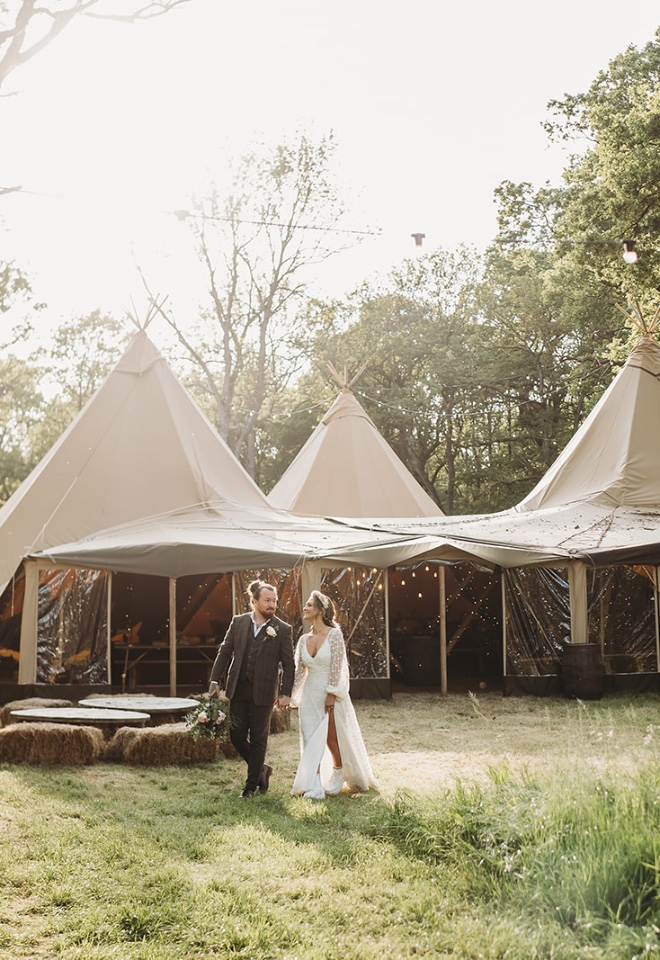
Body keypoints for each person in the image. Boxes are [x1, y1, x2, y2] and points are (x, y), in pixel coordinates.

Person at [209, 580, 293, 798]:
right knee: (236, 736)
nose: (272, 605)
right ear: (254, 602)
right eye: (267, 601)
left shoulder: (282, 629)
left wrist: (285, 693)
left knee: (258, 738)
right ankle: (262, 769)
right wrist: (214, 680)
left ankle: (250, 786)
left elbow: (289, 663)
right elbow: (225, 652)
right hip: (238, 688)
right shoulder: (238, 622)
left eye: (274, 601)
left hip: (264, 692)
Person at [291, 590, 377, 800]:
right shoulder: (303, 639)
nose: (305, 608)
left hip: (328, 692)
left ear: (321, 610)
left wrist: (331, 693)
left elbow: (338, 667)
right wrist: (290, 695)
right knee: (310, 738)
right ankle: (315, 784)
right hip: (309, 693)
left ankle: (338, 771)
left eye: (309, 605)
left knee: (331, 737)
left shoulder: (334, 635)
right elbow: (299, 672)